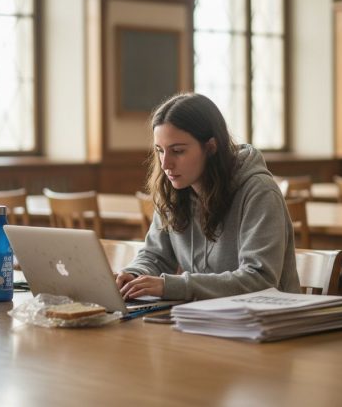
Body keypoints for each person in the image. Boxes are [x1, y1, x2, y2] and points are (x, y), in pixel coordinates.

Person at [116, 93, 300, 301]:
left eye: (177, 151)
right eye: (160, 150)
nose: (166, 164)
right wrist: (134, 275)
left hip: (269, 322)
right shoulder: (174, 189)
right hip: (204, 319)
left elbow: (260, 280)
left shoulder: (260, 192)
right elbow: (155, 256)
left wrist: (175, 286)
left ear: (211, 147)